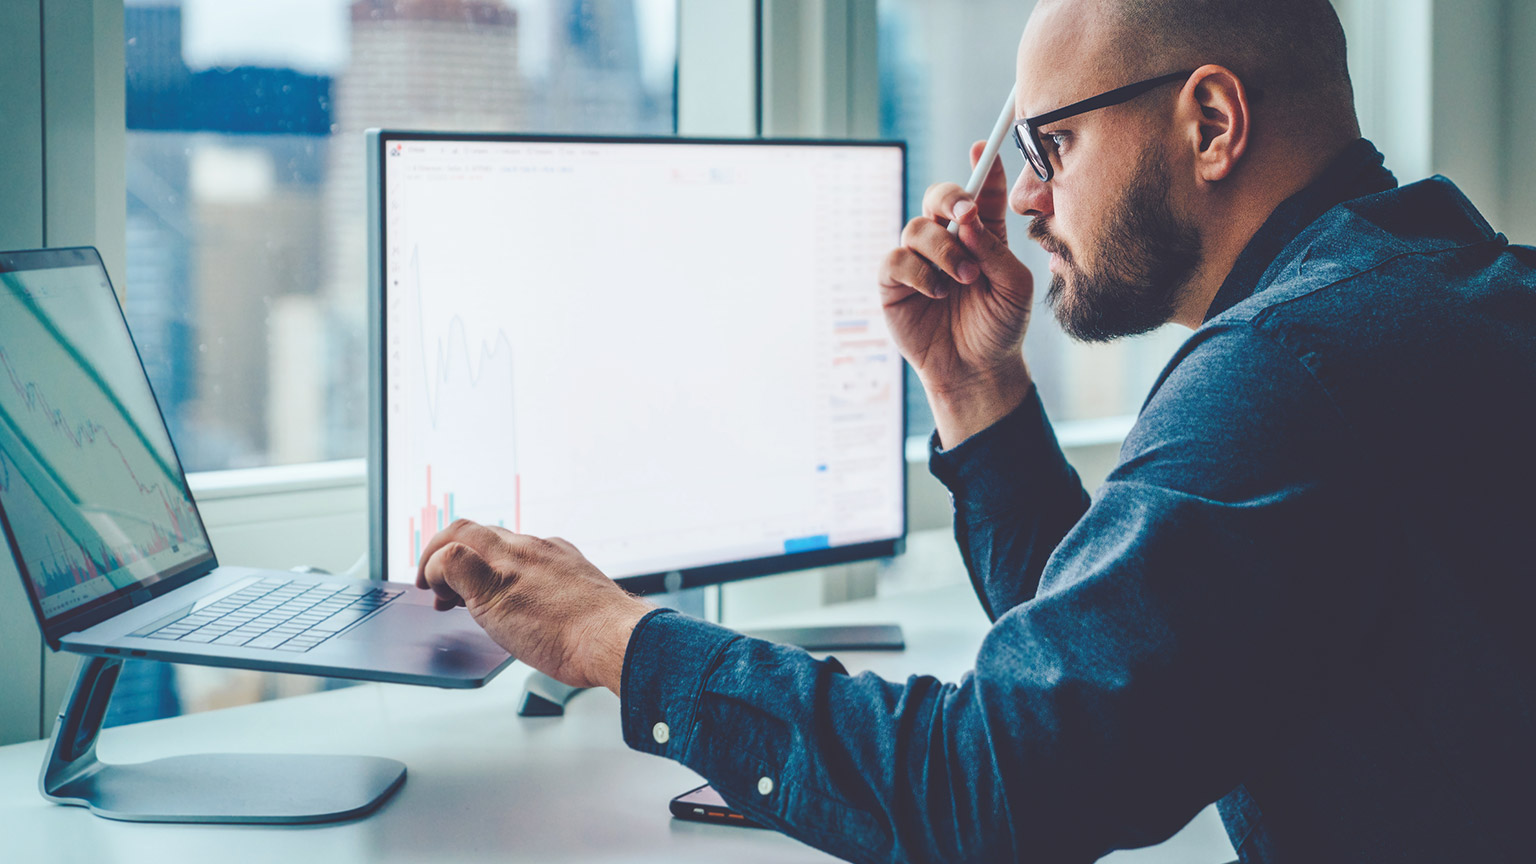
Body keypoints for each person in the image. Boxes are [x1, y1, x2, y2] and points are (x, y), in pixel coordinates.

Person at [415, 0, 1536, 860]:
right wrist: (971, 385)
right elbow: (1116, 667)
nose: (1030, 200)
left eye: (1051, 145)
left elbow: (995, 791)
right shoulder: (1446, 292)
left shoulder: (1287, 372)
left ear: (1210, 122)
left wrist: (615, 638)